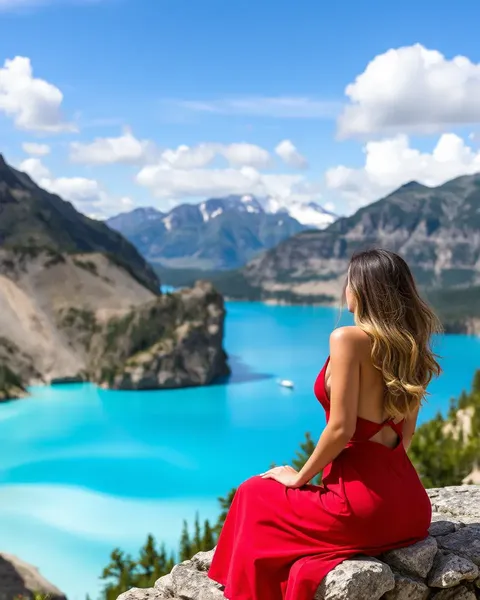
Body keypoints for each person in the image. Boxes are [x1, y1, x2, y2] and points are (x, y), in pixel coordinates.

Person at [207, 248, 442, 600]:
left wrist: (299, 478)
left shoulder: (348, 338)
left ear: (361, 289)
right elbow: (404, 438)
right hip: (411, 508)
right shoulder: (408, 346)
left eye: (349, 281)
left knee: (252, 493)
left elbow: (341, 428)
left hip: (359, 509)